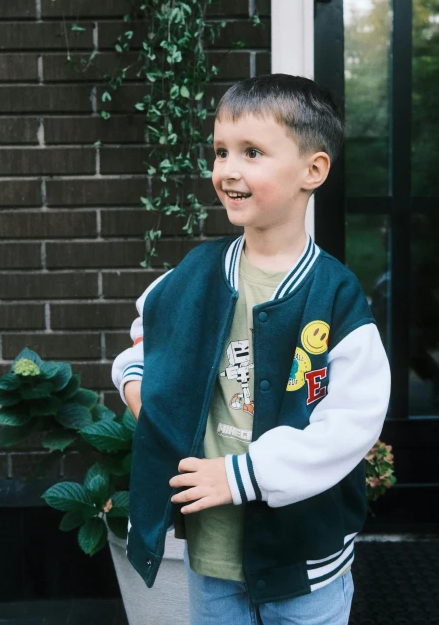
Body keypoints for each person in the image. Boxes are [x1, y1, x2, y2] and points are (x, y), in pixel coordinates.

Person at [111, 74, 391, 625]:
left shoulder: (334, 297)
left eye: (252, 152)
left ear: (313, 170)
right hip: (214, 552)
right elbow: (142, 344)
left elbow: (351, 423)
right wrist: (141, 391)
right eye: (220, 151)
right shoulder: (194, 274)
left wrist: (242, 475)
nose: (227, 170)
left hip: (303, 559)